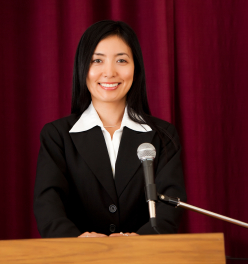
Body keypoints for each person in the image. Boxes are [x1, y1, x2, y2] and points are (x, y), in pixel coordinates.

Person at [34, 20, 187, 238]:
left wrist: (141, 241)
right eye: (97, 60)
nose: (109, 72)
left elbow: (169, 207)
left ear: (136, 68)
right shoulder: (57, 136)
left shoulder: (163, 136)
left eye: (121, 60)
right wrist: (76, 241)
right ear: (82, 67)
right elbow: (48, 205)